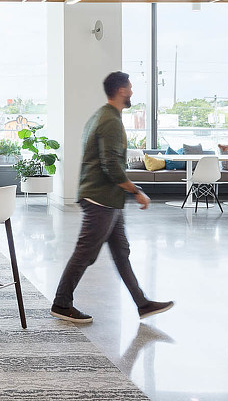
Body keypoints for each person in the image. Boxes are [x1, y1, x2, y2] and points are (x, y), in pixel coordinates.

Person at [50, 71, 174, 324]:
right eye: (130, 87)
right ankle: (61, 303)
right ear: (121, 90)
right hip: (101, 199)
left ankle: (142, 304)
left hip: (107, 199)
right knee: (85, 253)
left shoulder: (102, 116)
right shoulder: (110, 121)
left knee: (121, 252)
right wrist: (136, 191)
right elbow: (110, 165)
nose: (132, 92)